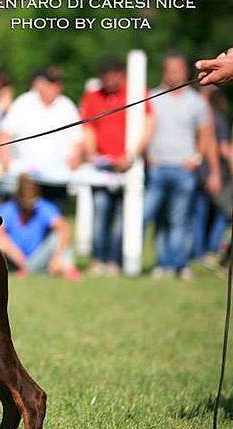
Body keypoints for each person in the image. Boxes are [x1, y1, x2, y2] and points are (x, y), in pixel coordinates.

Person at [145, 53, 221, 280]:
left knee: (181, 219)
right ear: (163, 71)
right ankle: (163, 263)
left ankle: (180, 264)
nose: (173, 74)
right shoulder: (151, 98)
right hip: (157, 167)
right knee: (158, 219)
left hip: (184, 169)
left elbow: (206, 135)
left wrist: (199, 159)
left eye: (177, 69)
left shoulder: (197, 102)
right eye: (169, 69)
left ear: (186, 72)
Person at [80, 57, 153, 276]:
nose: (110, 79)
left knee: (123, 217)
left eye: (115, 74)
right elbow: (88, 128)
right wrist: (92, 154)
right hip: (102, 167)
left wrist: (131, 156)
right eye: (106, 75)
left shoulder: (136, 94)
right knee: (101, 211)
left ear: (122, 74)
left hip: (129, 166)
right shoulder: (93, 96)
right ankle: (98, 258)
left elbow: (148, 125)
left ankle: (114, 259)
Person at [0, 68, 83, 181]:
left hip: (58, 174)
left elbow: (77, 139)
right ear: (40, 84)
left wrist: (75, 160)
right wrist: (4, 160)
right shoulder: (24, 101)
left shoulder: (67, 105)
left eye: (57, 84)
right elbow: (5, 132)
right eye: (50, 83)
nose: (54, 87)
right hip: (25, 173)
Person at [0, 175, 80, 279]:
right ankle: (28, 270)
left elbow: (64, 228)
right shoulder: (7, 209)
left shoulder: (43, 207)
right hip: (14, 259)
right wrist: (19, 258)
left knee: (57, 236)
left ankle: (68, 268)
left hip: (38, 256)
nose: (29, 208)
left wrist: (57, 256)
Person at [193, 86, 231, 266]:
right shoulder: (217, 119)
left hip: (199, 172)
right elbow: (224, 149)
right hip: (216, 175)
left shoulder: (198, 116)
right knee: (223, 215)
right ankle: (211, 251)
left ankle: (200, 253)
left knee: (199, 213)